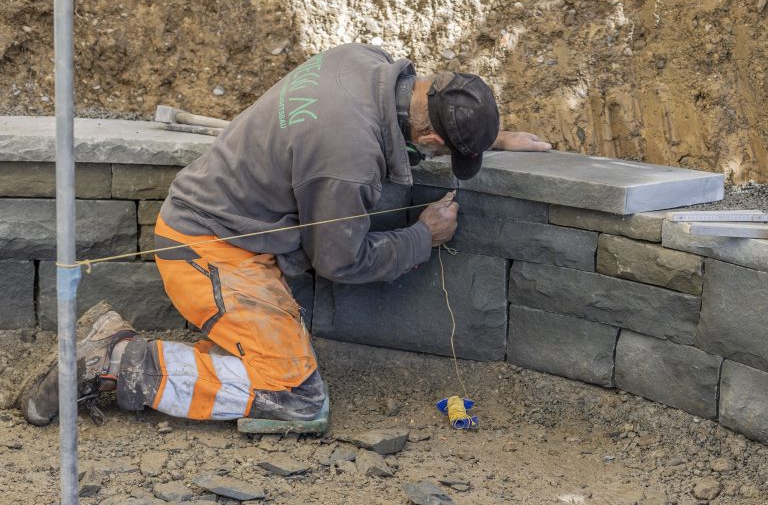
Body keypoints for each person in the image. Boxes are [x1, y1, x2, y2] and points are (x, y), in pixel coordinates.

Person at [20, 43, 550, 426]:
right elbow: (340, 261)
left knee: (269, 370)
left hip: (218, 231)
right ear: (431, 134)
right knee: (296, 397)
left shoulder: (364, 62)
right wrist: (421, 237)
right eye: (444, 147)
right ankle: (117, 360)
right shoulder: (346, 161)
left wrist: (483, 136)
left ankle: (170, 356)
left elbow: (407, 128)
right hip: (209, 252)